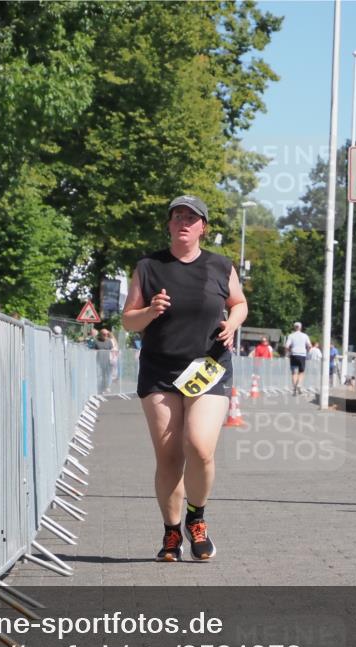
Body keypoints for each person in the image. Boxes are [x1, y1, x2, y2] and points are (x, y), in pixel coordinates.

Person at [123, 195, 247, 562]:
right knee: (169, 457)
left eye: (191, 217)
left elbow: (238, 303)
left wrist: (233, 324)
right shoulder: (148, 267)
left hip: (208, 367)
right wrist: (149, 310)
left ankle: (198, 518)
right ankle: (171, 532)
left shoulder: (220, 266)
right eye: (177, 216)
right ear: (169, 224)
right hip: (160, 370)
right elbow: (128, 319)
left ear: (203, 227)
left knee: (199, 447)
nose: (183, 222)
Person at [285, 322, 311, 395]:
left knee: (294, 373)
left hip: (293, 355)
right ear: (300, 327)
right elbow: (309, 345)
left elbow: (286, 346)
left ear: (294, 327)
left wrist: (288, 352)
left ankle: (294, 388)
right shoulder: (305, 336)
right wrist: (307, 351)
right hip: (302, 355)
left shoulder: (291, 335)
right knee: (301, 372)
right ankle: (299, 384)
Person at [95, 328, 115, 393]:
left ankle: (107, 387)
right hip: (99, 361)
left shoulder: (109, 341)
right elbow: (93, 351)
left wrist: (113, 359)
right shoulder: (96, 341)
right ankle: (101, 387)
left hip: (108, 361)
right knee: (102, 375)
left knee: (108, 374)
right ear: (100, 334)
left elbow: (112, 351)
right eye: (104, 334)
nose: (106, 335)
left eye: (107, 334)